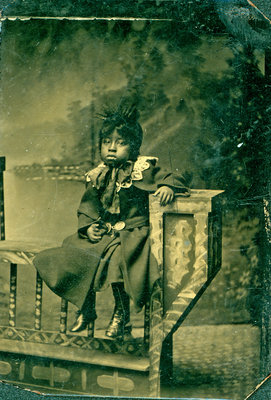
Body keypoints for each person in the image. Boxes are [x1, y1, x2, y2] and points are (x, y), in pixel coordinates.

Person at [33, 106, 189, 339]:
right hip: (107, 232)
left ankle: (121, 313)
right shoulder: (99, 174)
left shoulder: (142, 169)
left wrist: (168, 186)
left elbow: (176, 175)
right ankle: (86, 308)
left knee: (117, 261)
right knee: (73, 250)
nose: (112, 148)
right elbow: (89, 207)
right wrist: (90, 227)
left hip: (134, 232)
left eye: (121, 142)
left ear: (134, 147)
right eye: (107, 142)